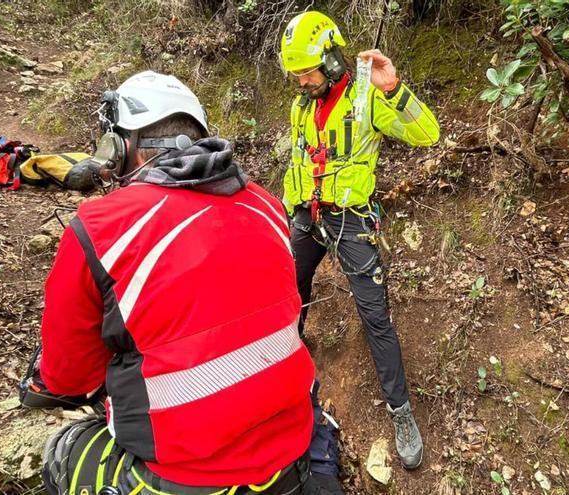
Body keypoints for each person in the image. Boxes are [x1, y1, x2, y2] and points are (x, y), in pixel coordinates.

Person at [31, 70, 343, 495]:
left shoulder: (100, 228)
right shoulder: (267, 206)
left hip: (184, 475)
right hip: (290, 452)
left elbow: (67, 380)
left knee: (62, 451)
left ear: (122, 148)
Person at [278, 11, 440, 470]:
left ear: (330, 60)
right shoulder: (300, 106)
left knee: (375, 316)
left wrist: (393, 89)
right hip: (307, 216)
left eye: (306, 73)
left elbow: (428, 133)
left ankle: (401, 412)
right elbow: (298, 162)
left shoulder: (367, 97)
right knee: (289, 291)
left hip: (351, 222)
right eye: (295, 75)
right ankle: (285, 367)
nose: (301, 82)